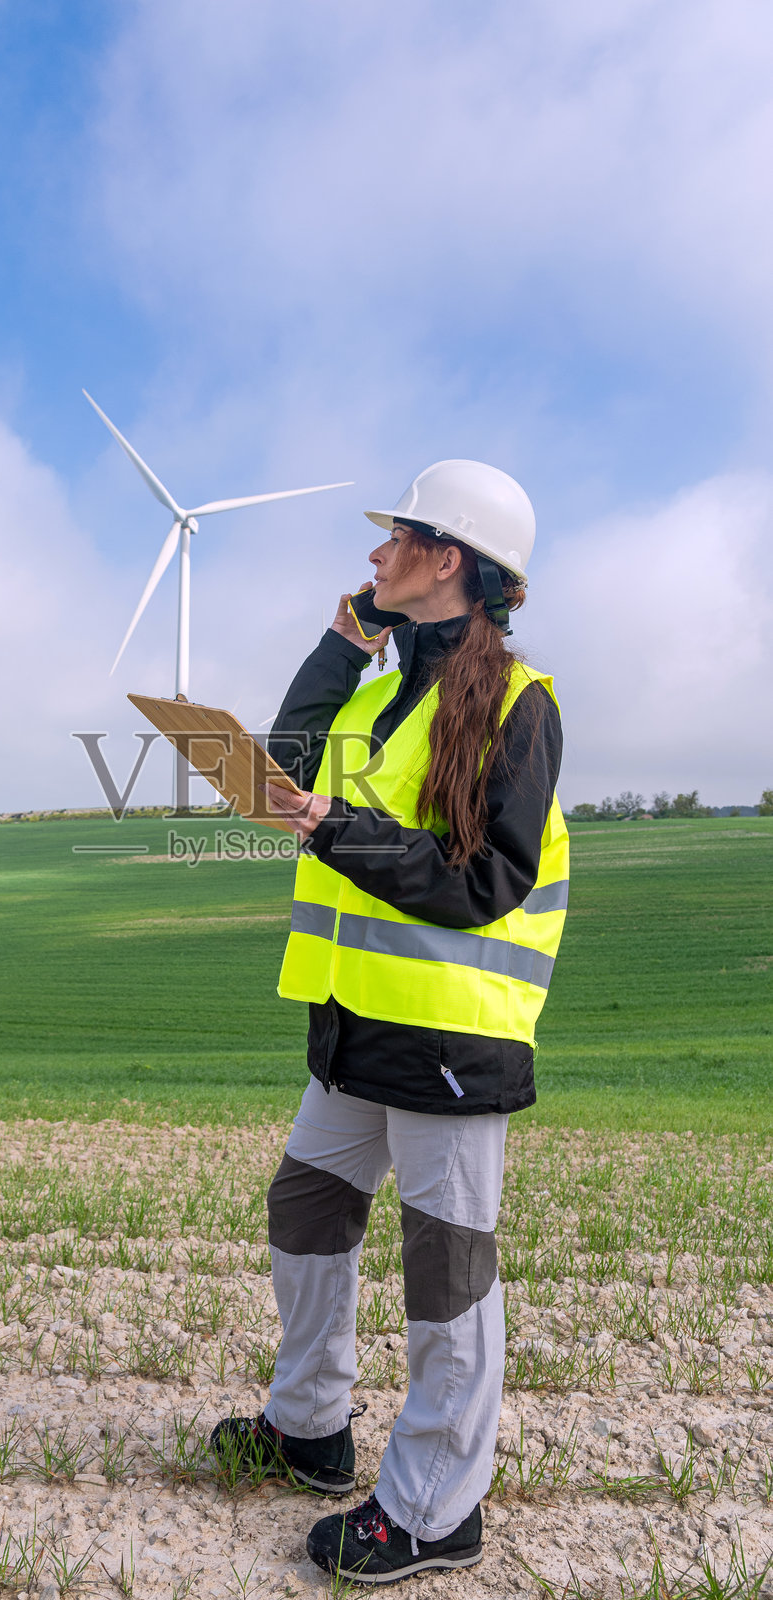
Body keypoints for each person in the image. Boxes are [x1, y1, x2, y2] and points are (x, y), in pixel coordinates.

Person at [210, 460, 568, 1586]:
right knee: (305, 1208)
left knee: (445, 1270)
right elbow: (281, 768)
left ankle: (430, 1507)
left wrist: (329, 828)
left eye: (391, 540)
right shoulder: (377, 692)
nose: (370, 557)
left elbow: (480, 878)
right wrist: (339, 644)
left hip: (448, 1040)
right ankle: (310, 1426)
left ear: (445, 557)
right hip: (355, 1021)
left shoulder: (516, 704)